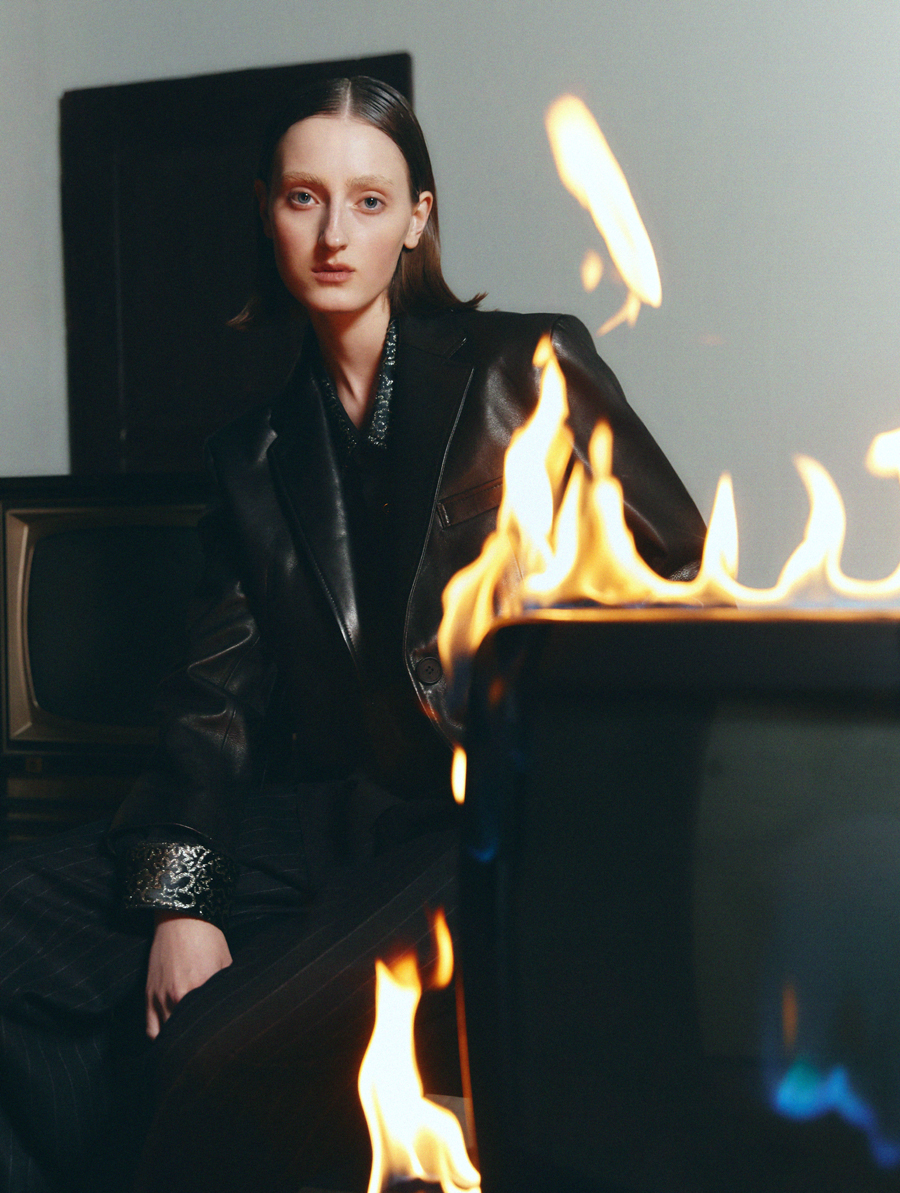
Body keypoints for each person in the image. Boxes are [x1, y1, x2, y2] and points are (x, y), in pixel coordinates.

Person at [0, 76, 707, 1192]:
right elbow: (213, 701)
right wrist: (182, 900)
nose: (335, 234)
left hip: (493, 820)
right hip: (338, 817)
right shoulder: (253, 455)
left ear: (417, 218)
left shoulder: (523, 367)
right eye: (304, 198)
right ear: (267, 212)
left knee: (201, 1053)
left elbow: (681, 576)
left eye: (369, 202)